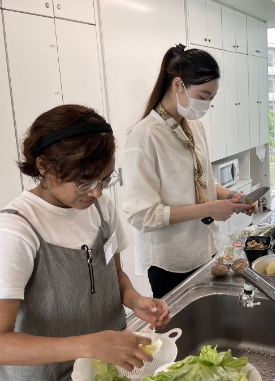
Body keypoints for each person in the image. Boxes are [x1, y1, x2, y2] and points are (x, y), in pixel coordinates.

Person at [0, 105, 170, 380]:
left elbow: (113, 275)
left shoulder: (101, 208)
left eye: (104, 179)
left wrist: (136, 300)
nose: (97, 191)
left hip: (105, 371)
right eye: (84, 181)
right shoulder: (16, 230)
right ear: (44, 166)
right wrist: (89, 345)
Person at [123, 44, 255, 299]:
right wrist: (208, 209)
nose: (205, 105)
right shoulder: (145, 136)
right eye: (202, 96)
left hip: (204, 249)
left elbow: (204, 181)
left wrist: (230, 197)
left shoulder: (193, 126)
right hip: (170, 260)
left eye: (211, 99)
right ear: (177, 85)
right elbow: (142, 215)